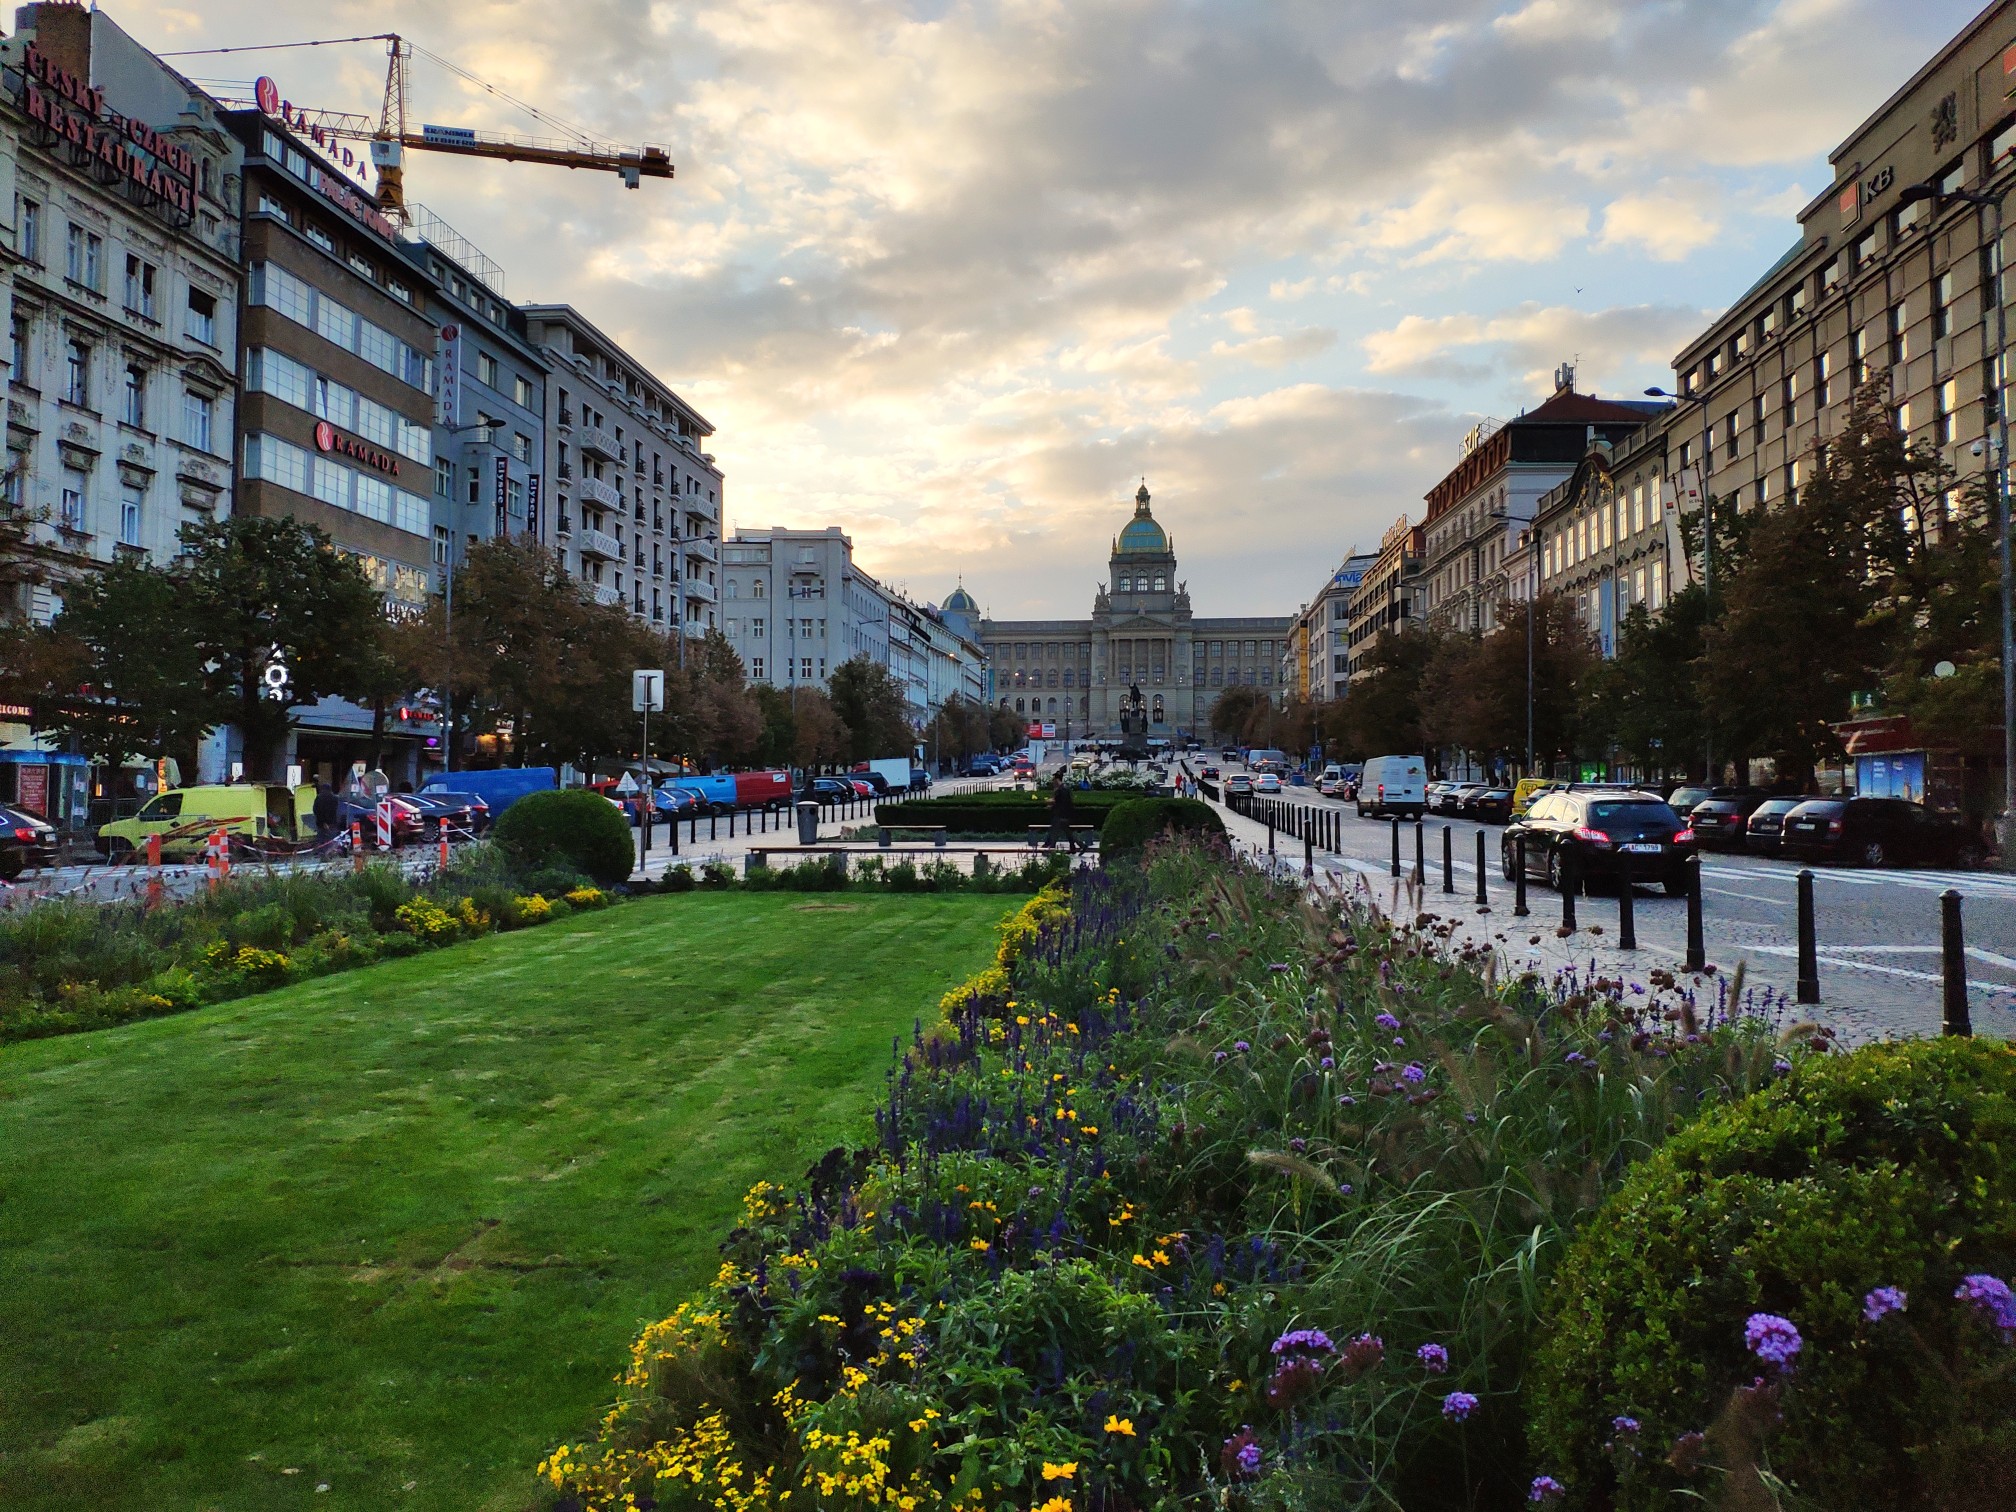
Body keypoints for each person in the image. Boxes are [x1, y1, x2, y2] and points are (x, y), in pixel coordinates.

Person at [1048, 773, 1075, 849]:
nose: (1052, 781)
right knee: (1066, 831)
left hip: (1061, 814)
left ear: (1057, 780)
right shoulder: (1064, 788)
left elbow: (1060, 802)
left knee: (1055, 829)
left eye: (1053, 780)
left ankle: (1051, 847)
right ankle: (1075, 847)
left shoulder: (1061, 790)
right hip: (1064, 814)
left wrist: (1051, 802)